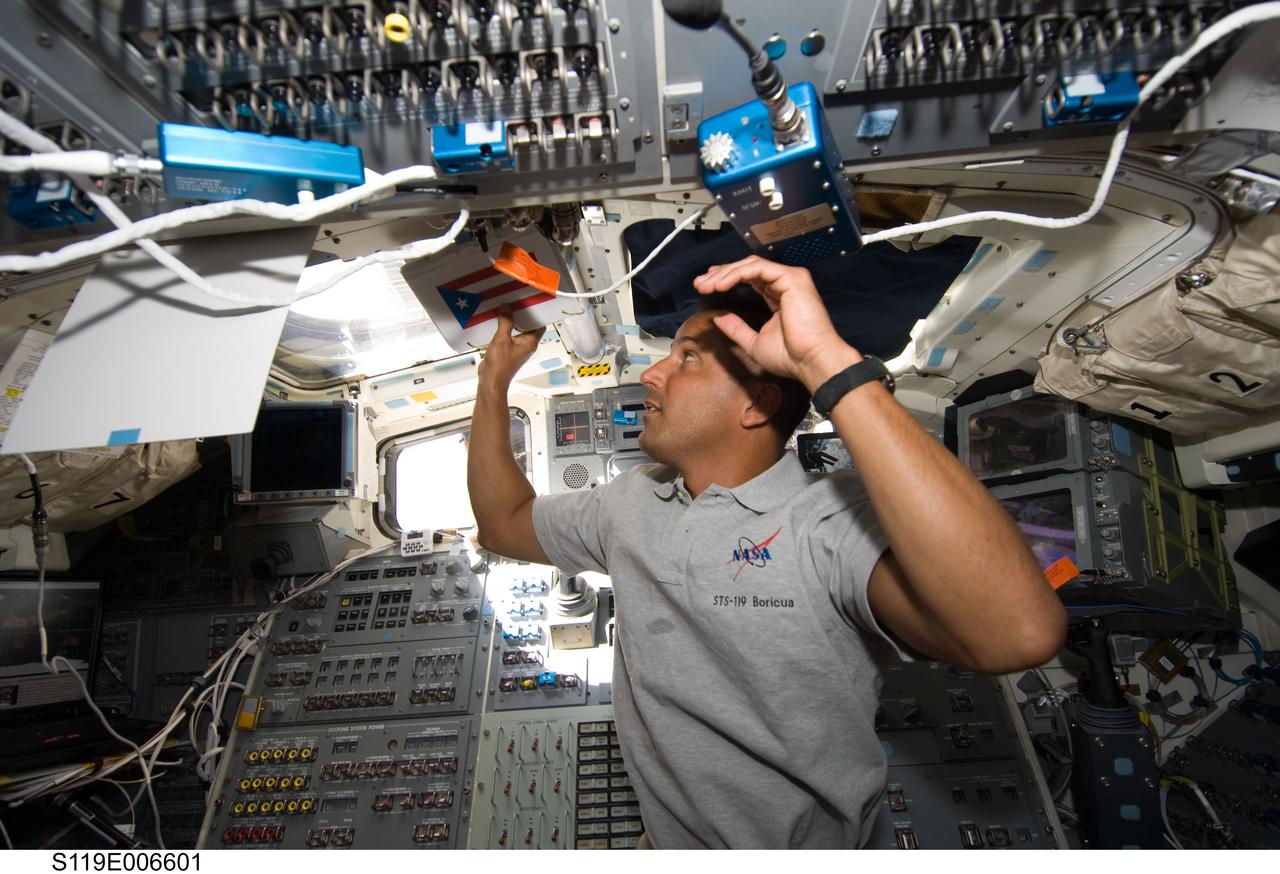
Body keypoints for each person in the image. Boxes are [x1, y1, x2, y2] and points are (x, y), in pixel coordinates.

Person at [468, 255, 1067, 848]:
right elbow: (503, 523)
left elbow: (1015, 634)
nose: (652, 374)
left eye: (688, 359)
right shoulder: (630, 502)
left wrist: (825, 363)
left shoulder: (829, 521)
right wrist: (493, 381)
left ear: (755, 407)